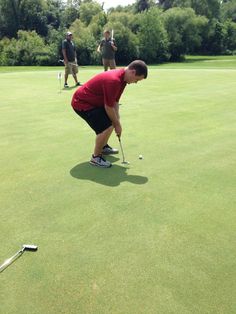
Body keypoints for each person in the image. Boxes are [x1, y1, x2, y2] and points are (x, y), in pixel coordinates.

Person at [71, 60, 148, 168]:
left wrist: (117, 121)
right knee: (106, 127)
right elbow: (108, 107)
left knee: (112, 122)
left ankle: (103, 147)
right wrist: (116, 124)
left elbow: (115, 102)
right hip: (82, 103)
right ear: (133, 72)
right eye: (137, 80)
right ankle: (96, 158)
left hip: (94, 103)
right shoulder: (114, 80)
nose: (135, 82)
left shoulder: (123, 80)